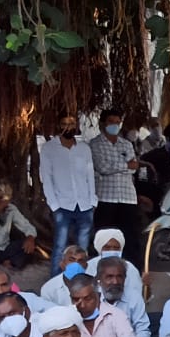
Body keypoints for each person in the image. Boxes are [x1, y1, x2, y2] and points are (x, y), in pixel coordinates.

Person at [40, 113, 97, 274]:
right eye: (64, 123)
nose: (68, 127)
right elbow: (47, 177)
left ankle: (79, 280)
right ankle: (55, 283)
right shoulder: (49, 148)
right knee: (60, 246)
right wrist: (54, 205)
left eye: (71, 124)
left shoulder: (84, 148)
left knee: (82, 248)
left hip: (85, 204)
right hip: (62, 205)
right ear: (58, 126)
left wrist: (93, 201)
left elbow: (89, 175)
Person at [89, 108, 143, 267]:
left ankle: (133, 271)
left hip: (127, 197)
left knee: (130, 238)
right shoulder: (95, 144)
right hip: (106, 197)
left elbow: (135, 167)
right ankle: (101, 269)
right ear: (103, 124)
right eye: (111, 122)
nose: (114, 125)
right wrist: (126, 164)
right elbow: (102, 167)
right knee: (104, 237)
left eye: (117, 123)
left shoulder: (126, 144)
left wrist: (122, 165)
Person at [67, 273, 150, 337]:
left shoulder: (116, 316)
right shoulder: (66, 321)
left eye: (88, 299)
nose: (82, 305)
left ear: (97, 295)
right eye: (76, 300)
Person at [96, 256, 150, 337]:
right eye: (109, 277)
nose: (115, 282)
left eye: (119, 276)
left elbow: (142, 330)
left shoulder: (134, 296)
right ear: (99, 278)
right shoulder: (92, 298)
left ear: (125, 278)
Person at [87, 228, 144, 302]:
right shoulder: (89, 266)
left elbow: (136, 294)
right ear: (99, 248)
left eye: (116, 248)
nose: (112, 251)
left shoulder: (130, 268)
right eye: (107, 248)